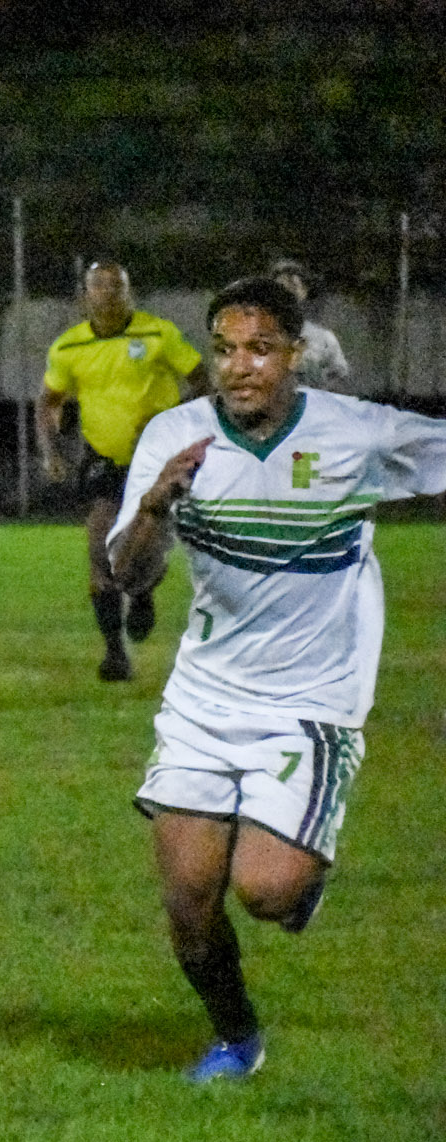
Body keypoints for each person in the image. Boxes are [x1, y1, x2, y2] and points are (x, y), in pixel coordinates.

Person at [109, 275, 446, 1082]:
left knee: (263, 890)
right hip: (206, 697)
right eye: (225, 350)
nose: (239, 367)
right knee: (189, 902)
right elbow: (130, 575)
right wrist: (155, 509)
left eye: (260, 349)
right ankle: (237, 1041)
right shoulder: (174, 439)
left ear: (296, 355)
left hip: (311, 700)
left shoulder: (355, 436)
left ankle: (296, 883)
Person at [37, 260, 208, 682]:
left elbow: (202, 379)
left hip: (158, 463)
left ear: (130, 293)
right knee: (100, 547)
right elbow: (49, 402)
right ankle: (115, 654)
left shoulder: (157, 334)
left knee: (142, 550)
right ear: (85, 296)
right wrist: (52, 451)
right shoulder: (68, 348)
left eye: (118, 287)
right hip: (105, 461)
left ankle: (144, 590)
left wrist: (185, 429)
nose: (109, 294)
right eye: (99, 286)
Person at [268, 259, 350, 391]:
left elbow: (339, 374)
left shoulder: (324, 337)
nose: (288, 293)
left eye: (294, 286)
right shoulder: (258, 334)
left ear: (304, 291)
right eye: (282, 288)